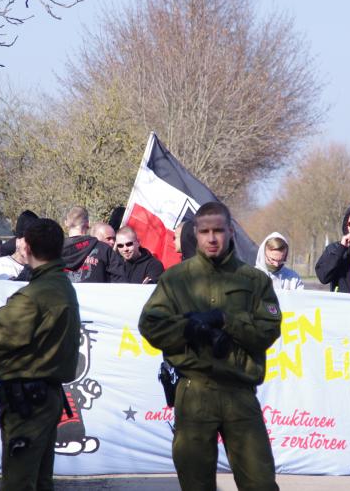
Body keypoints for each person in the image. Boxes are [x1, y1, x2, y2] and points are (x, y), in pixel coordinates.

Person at [139, 202, 281, 490]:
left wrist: (225, 320)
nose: (212, 238)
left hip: (239, 391)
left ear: (230, 231)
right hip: (194, 393)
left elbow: (268, 330)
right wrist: (189, 328)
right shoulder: (176, 279)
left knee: (261, 483)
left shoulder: (254, 280)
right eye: (205, 231)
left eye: (218, 230)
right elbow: (150, 324)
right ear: (196, 233)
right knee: (195, 484)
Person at [0, 218, 81, 491]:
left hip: (29, 399)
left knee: (19, 481)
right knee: (39, 479)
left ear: (28, 247)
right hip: (43, 394)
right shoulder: (59, 285)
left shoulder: (36, 294)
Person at [62, 205, 125, 283]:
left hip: (64, 294)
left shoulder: (54, 252)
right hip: (97, 295)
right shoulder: (104, 250)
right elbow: (120, 283)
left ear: (66, 223)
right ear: (88, 223)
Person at [0, 211, 40, 280]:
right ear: (18, 241)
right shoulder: (3, 264)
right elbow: (11, 287)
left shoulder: (39, 266)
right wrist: (30, 267)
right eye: (28, 240)